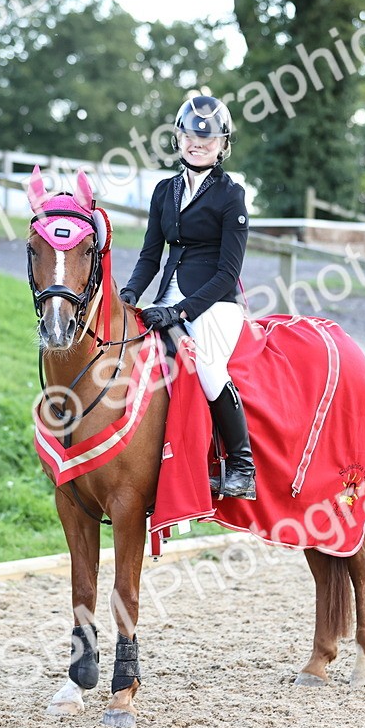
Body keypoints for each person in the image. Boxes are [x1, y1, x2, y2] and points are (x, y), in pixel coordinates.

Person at [119, 95, 256, 501]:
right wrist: (129, 295)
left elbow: (227, 273)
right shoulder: (164, 191)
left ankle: (242, 465)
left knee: (209, 366)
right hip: (165, 300)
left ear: (222, 144)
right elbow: (150, 255)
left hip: (216, 304)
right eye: (190, 136)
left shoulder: (231, 195)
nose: (197, 143)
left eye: (208, 138)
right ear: (178, 138)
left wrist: (180, 311)